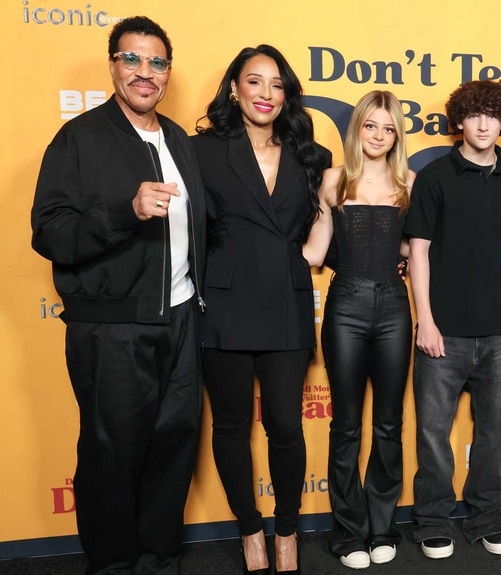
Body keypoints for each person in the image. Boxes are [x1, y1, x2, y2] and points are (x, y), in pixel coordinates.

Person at [31, 16, 205, 574]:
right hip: (112, 328)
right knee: (112, 453)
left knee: (173, 445)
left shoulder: (179, 139)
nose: (144, 72)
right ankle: (111, 564)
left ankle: (157, 558)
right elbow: (49, 231)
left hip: (179, 320)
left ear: (168, 72)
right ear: (113, 66)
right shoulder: (80, 138)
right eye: (132, 59)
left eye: (156, 62)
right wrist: (124, 213)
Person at [192, 45, 330, 574]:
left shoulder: (308, 153)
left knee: (285, 426)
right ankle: (250, 528)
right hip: (223, 304)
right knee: (229, 426)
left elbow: (327, 217)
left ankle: (288, 530)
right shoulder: (200, 150)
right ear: (234, 88)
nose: (266, 94)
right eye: (255, 82)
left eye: (277, 85)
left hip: (286, 301)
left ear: (287, 94)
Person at [404, 80, 501, 560]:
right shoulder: (434, 176)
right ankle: (433, 518)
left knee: (495, 431)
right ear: (459, 120)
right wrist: (425, 321)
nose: (483, 124)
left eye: (492, 116)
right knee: (433, 434)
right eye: (474, 115)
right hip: (444, 329)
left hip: (500, 328)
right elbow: (419, 252)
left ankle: (488, 515)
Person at [303, 90, 414, 570]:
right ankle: (348, 530)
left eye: (388, 129)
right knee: (346, 424)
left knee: (388, 423)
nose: (379, 136)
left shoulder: (410, 182)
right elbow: (313, 252)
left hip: (393, 307)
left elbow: (419, 251)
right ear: (358, 128)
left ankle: (382, 526)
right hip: (344, 303)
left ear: (396, 136)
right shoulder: (332, 181)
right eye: (371, 125)